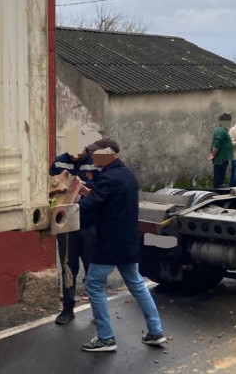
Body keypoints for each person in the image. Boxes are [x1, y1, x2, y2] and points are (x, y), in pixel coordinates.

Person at [78, 137, 166, 352]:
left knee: (94, 285)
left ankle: (106, 338)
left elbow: (90, 205)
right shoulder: (126, 174)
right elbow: (108, 199)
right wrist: (89, 191)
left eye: (95, 153)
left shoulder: (107, 178)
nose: (92, 157)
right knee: (136, 283)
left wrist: (70, 202)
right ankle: (156, 331)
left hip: (110, 243)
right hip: (128, 240)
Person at [50, 127, 102, 325]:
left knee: (93, 266)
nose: (74, 153)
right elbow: (49, 187)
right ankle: (68, 308)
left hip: (89, 223)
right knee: (68, 266)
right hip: (66, 225)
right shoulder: (59, 162)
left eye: (78, 149)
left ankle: (98, 311)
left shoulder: (96, 164)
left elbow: (102, 191)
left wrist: (88, 192)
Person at [208, 113, 234, 189]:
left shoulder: (223, 130)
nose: (229, 123)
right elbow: (216, 145)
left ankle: (219, 188)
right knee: (218, 177)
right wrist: (213, 155)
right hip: (220, 158)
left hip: (223, 158)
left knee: (221, 176)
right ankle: (217, 191)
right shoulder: (220, 131)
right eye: (228, 121)